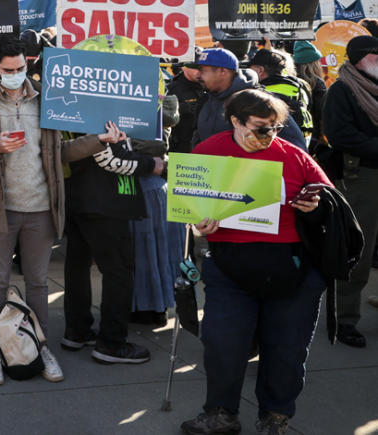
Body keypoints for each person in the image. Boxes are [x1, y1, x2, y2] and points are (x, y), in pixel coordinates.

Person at [0, 34, 121, 386]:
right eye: (8, 69)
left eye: (21, 67)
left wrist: (98, 140)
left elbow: (60, 152)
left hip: (40, 209)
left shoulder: (47, 98)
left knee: (37, 283)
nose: (16, 74)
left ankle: (39, 346)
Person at [180, 90, 331, 435]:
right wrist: (198, 222)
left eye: (276, 128)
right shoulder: (208, 152)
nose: (270, 136)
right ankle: (221, 414)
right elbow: (188, 208)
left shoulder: (293, 156)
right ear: (235, 120)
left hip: (291, 266)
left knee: (287, 350)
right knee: (223, 343)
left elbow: (329, 201)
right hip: (230, 265)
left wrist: (315, 206)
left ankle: (275, 418)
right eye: (262, 129)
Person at [62, 135, 157, 364]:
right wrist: (152, 164)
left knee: (77, 266)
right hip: (105, 201)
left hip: (76, 196)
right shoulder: (103, 107)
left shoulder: (73, 107)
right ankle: (112, 344)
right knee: (118, 272)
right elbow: (109, 160)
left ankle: (77, 331)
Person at [321, 35, 378, 348]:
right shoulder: (342, 90)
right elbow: (341, 135)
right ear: (363, 58)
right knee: (359, 249)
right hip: (362, 178)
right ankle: (345, 320)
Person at [192, 48, 306, 150]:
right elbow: (198, 140)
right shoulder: (205, 101)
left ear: (223, 71)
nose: (198, 75)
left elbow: (295, 146)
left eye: (203, 70)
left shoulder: (260, 101)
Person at [248, 49, 314, 135]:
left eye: (250, 69)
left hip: (277, 143)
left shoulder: (262, 94)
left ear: (260, 70)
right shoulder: (302, 87)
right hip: (302, 143)